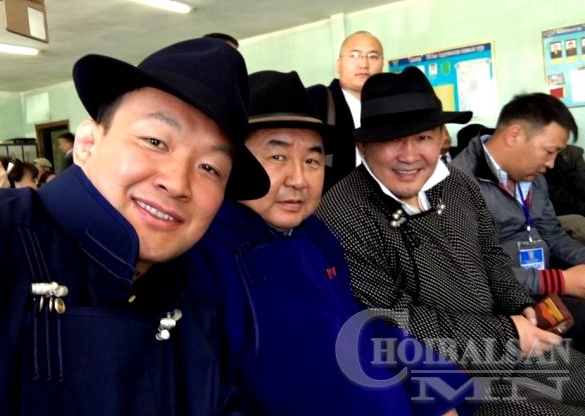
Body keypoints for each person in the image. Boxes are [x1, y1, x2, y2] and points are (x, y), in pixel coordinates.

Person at [0, 38, 270, 415]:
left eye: (210, 168)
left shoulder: (189, 298)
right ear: (86, 144)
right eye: (155, 141)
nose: (178, 183)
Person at [186, 70, 474, 416]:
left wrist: (440, 394)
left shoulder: (313, 234)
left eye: (312, 160)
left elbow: (360, 325)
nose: (299, 180)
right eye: (277, 157)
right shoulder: (201, 254)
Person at [317, 67, 585, 413]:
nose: (409, 155)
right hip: (443, 375)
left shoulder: (458, 184)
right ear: (363, 146)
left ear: (441, 137)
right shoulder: (342, 213)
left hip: (511, 339)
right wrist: (506, 333)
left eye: (423, 138)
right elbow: (391, 318)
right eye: (392, 140)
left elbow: (492, 258)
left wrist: (525, 309)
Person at [452, 93, 585, 349]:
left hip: (544, 284)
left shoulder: (532, 175)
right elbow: (474, 270)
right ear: (514, 135)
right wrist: (560, 281)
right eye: (549, 152)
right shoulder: (459, 182)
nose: (551, 164)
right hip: (504, 302)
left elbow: (553, 235)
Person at [308, 30, 383, 189]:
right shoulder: (317, 99)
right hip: (331, 197)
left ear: (382, 65)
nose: (363, 64)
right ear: (338, 64)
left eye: (372, 56)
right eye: (354, 55)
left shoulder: (390, 108)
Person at [545, 144, 585, 244]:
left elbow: (578, 183)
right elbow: (557, 194)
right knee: (578, 223)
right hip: (556, 211)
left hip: (572, 206)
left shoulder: (568, 155)